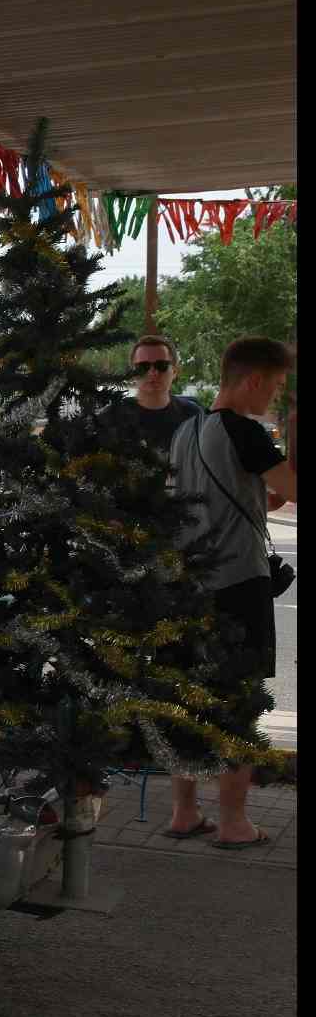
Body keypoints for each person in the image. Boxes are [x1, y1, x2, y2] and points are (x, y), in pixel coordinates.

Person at [164, 336, 296, 849]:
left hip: (186, 585)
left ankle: (184, 812)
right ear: (254, 380)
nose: (276, 396)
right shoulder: (245, 430)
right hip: (238, 585)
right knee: (238, 703)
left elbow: (221, 493)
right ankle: (234, 822)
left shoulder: (187, 430)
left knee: (186, 699)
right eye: (276, 386)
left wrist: (265, 497)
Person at [101, 333, 202, 455]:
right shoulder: (111, 418)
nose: (152, 372)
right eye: (143, 367)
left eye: (161, 365)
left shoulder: (193, 416)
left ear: (175, 371)